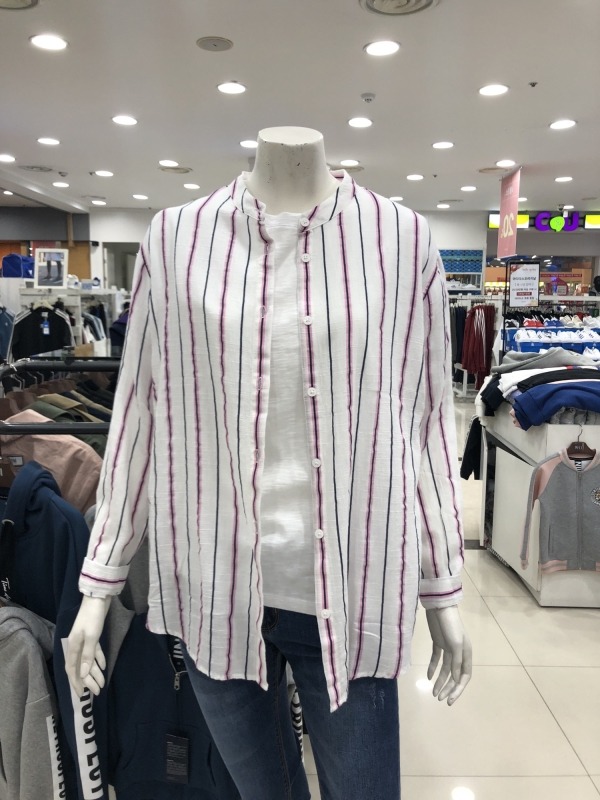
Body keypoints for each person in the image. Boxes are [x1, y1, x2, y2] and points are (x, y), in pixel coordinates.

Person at [67, 126, 472, 800]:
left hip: (353, 591)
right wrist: (97, 586)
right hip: (214, 591)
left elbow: (425, 422)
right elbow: (140, 411)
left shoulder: (403, 240)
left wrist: (441, 588)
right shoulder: (174, 238)